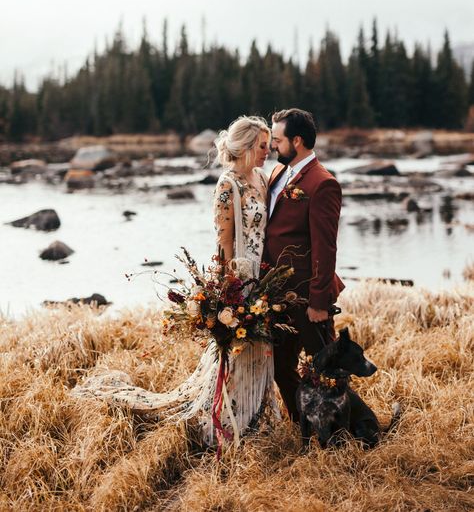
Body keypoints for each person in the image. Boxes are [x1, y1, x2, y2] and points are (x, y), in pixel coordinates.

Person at [72, 115, 278, 446]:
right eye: (264, 146)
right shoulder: (227, 184)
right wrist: (228, 290)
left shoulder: (262, 179)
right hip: (239, 277)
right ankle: (227, 423)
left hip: (262, 275)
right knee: (236, 350)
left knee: (260, 350)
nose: (269, 152)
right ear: (248, 145)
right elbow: (223, 243)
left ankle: (256, 417)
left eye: (270, 146)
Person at [263, 108, 345, 422]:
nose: (272, 145)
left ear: (297, 140)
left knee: (327, 367)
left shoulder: (322, 184)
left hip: (308, 296)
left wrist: (319, 302)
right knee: (281, 368)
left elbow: (326, 246)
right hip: (279, 294)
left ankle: (348, 429)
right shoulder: (276, 174)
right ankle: (306, 426)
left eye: (277, 139)